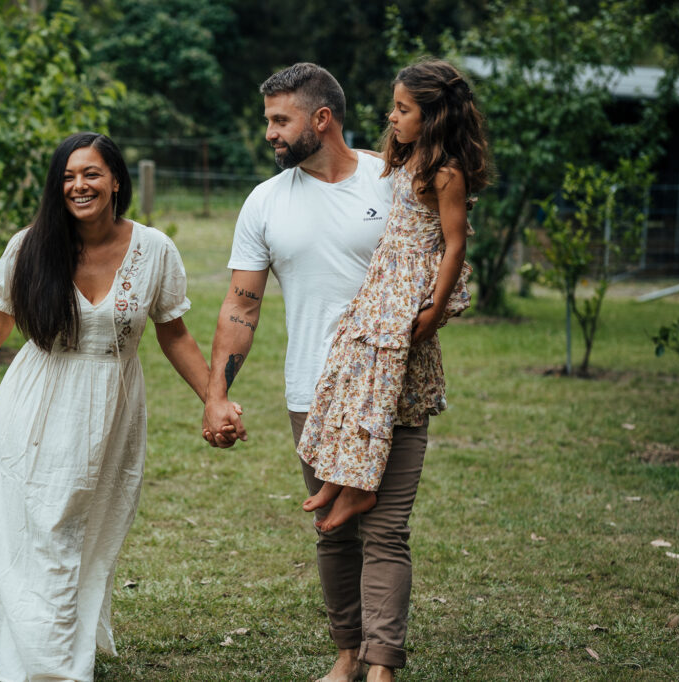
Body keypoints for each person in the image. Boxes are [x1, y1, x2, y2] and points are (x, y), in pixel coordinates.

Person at [0, 132, 219, 682]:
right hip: (37, 405)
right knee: (43, 531)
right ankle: (48, 666)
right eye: (68, 176)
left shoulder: (155, 250)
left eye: (91, 173)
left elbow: (175, 334)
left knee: (87, 536)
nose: (79, 185)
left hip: (111, 411)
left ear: (117, 180)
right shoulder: (31, 246)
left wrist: (214, 399)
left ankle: (51, 643)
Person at [201, 62, 421, 682]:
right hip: (312, 394)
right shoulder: (265, 202)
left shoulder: (395, 181)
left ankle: (383, 666)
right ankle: (348, 653)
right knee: (333, 530)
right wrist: (217, 394)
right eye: (267, 119)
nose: (268, 132)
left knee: (386, 530)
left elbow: (438, 269)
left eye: (279, 119)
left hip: (391, 389)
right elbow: (242, 304)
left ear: (321, 119)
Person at [297, 58, 490, 531]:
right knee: (345, 373)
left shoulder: (446, 173)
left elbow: (455, 244)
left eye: (403, 109)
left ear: (434, 116)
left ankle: (360, 488)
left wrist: (435, 309)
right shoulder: (408, 158)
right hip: (381, 283)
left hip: (405, 289)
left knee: (375, 390)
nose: (392, 116)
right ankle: (338, 478)